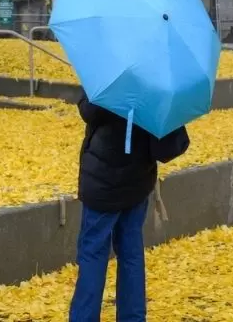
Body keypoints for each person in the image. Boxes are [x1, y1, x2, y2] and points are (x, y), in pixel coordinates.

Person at [70, 92, 189, 322]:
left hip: (102, 182)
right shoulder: (156, 83)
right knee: (131, 253)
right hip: (138, 179)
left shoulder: (112, 76)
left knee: (93, 253)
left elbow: (87, 110)